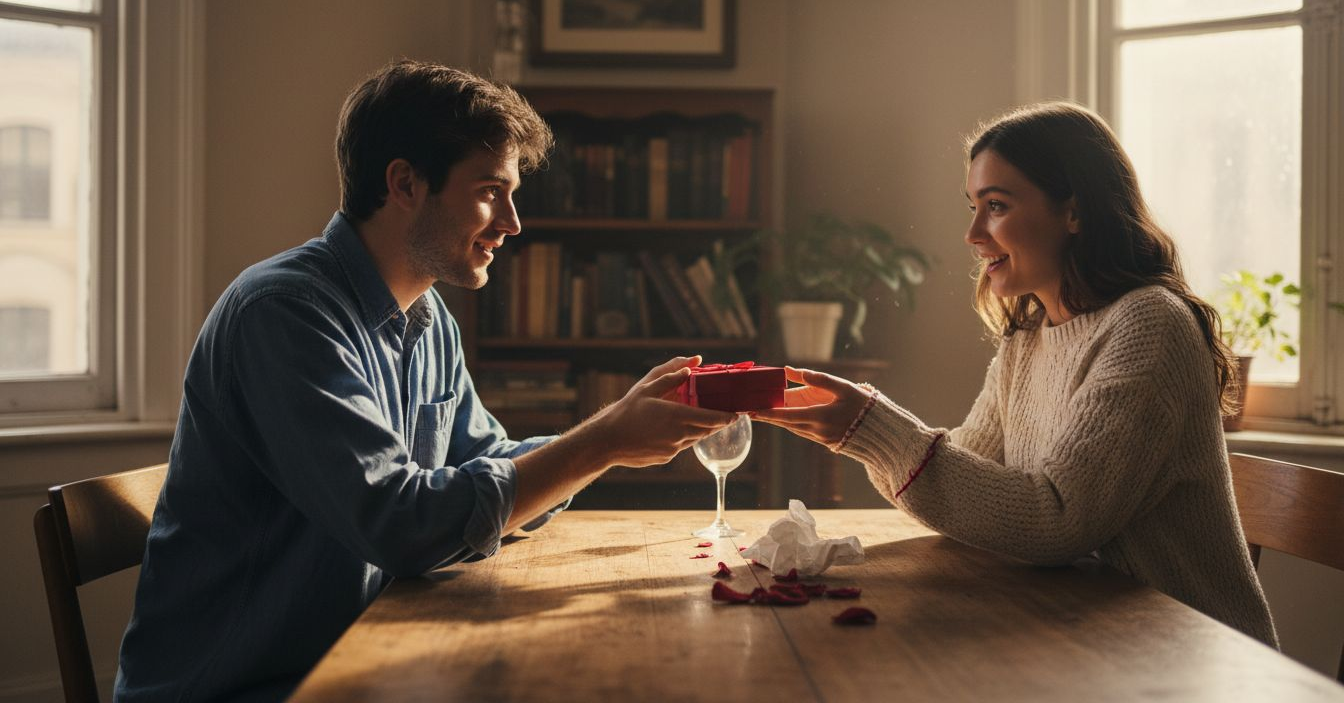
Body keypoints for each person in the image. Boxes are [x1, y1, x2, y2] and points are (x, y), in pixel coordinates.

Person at [114, 61, 736, 702]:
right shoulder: (282, 313)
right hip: (249, 687)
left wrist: (619, 426)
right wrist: (603, 441)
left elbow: (486, 466)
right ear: (404, 183)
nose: (513, 222)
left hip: (367, 656)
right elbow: (401, 525)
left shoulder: (428, 316)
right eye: (491, 191)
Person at [750, 102, 1278, 648]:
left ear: (1074, 211)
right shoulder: (1028, 338)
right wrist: (862, 431)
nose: (973, 234)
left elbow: (1058, 521)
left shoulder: (1149, 324)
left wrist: (871, 428)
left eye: (996, 206)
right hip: (1088, 638)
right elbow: (975, 484)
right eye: (974, 207)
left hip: (1194, 655)